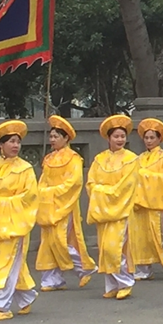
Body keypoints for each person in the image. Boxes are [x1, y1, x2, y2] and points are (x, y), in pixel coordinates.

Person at [0, 120, 39, 321]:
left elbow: (29, 196)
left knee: (5, 262)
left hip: (15, 221)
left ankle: (1, 305)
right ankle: (26, 296)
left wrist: (3, 203)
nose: (15, 146)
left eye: (17, 142)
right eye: (11, 141)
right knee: (9, 262)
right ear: (1, 145)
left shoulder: (25, 168)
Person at [35, 115, 96, 291]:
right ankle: (51, 279)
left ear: (66, 138)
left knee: (61, 240)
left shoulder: (74, 158)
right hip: (48, 205)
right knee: (47, 241)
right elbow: (43, 180)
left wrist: (53, 192)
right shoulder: (48, 159)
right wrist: (43, 193)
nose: (52, 140)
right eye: (51, 136)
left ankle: (84, 268)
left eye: (56, 136)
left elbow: (74, 182)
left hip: (65, 205)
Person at [87, 114, 139, 300]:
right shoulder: (99, 159)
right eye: (116, 136)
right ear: (108, 138)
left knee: (116, 248)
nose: (120, 139)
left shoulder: (132, 159)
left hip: (121, 210)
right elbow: (91, 183)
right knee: (104, 248)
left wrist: (104, 192)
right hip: (103, 211)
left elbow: (127, 186)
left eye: (122, 136)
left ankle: (125, 282)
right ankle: (112, 284)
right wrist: (102, 192)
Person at [130, 118, 163, 280]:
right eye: (146, 137)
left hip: (157, 204)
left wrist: (144, 176)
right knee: (140, 238)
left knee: (162, 238)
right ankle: (144, 269)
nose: (149, 141)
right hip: (140, 204)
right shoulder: (139, 158)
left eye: (152, 137)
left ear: (159, 139)